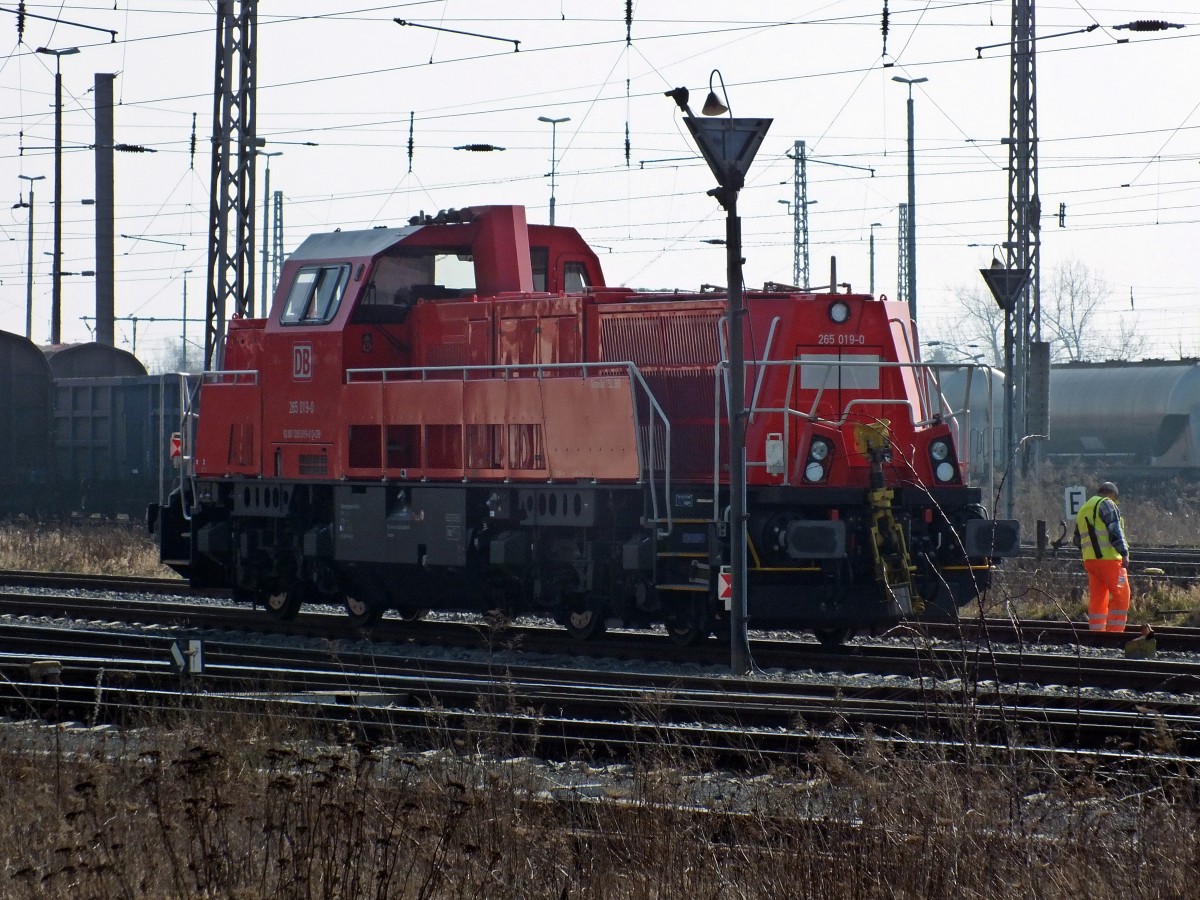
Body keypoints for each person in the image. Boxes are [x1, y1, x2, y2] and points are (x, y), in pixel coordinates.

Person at [1073, 481, 1131, 633]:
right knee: (1122, 596)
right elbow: (1114, 530)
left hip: (1091, 562)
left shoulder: (1084, 509)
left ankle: (1097, 633)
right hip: (1110, 560)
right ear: (1111, 494)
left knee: (1098, 599)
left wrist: (1092, 551)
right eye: (1115, 499)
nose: (1115, 502)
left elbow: (1077, 540)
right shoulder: (1106, 504)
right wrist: (1124, 553)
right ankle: (1114, 633)